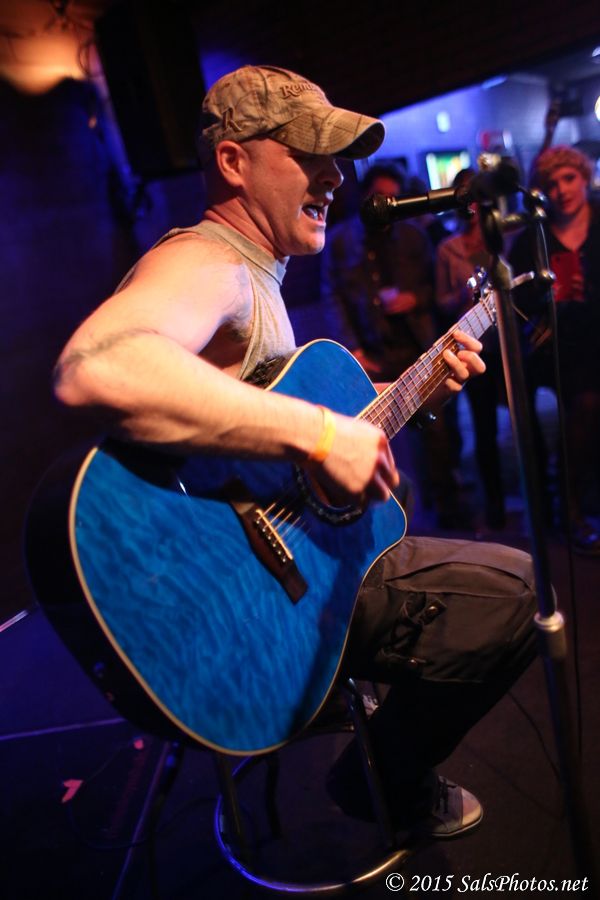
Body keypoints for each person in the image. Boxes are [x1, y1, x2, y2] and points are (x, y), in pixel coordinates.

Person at [53, 65, 538, 837]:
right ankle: (386, 783)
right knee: (520, 594)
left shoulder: (258, 274)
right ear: (233, 162)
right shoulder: (207, 261)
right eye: (310, 154)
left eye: (336, 158)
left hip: (286, 567)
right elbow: (96, 367)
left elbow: (263, 418)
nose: (336, 176)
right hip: (244, 601)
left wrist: (417, 391)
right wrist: (322, 434)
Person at [321, 164, 467, 528]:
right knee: (379, 436)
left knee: (437, 431)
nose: (386, 203)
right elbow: (332, 296)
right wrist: (352, 349)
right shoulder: (341, 240)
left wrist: (413, 299)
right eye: (378, 196)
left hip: (416, 345)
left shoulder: (414, 236)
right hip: (372, 353)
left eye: (392, 197)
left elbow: (434, 289)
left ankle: (447, 507)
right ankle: (391, 519)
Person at [510, 145, 600, 555]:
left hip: (595, 333)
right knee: (583, 406)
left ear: (585, 178)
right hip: (555, 345)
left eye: (569, 179)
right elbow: (515, 299)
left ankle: (578, 501)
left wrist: (590, 290)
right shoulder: (533, 237)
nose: (562, 190)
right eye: (552, 182)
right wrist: (546, 298)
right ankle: (571, 508)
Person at [436, 167, 507, 530]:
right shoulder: (448, 248)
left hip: (508, 343)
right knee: (484, 426)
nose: (472, 204)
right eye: (464, 196)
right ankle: (495, 503)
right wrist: (463, 295)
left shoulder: (506, 237)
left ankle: (541, 497)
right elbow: (441, 300)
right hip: (475, 344)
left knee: (524, 421)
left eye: (476, 195)